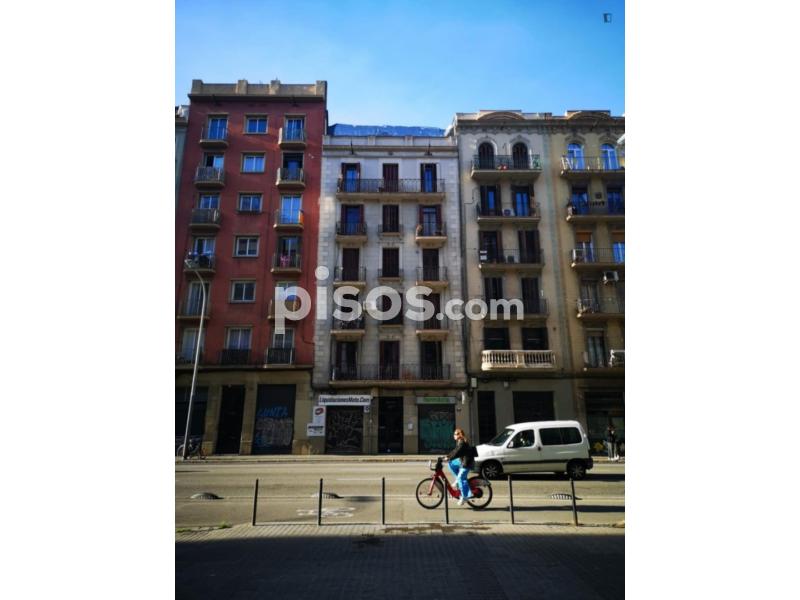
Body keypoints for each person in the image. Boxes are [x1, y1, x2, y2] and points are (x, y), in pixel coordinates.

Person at [444, 428, 475, 506]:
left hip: (466, 463)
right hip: (462, 461)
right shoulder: (459, 441)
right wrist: (448, 456)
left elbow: (457, 452)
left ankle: (464, 497)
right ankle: (458, 479)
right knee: (451, 463)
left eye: (455, 434)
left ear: (459, 435)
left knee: (461, 478)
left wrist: (449, 457)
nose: (453, 435)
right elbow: (455, 451)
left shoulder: (462, 442)